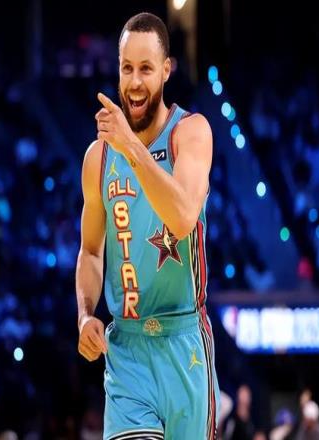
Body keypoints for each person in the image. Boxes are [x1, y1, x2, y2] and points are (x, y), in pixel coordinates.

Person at [75, 12, 219, 440]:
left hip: (185, 344)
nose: (134, 82)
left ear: (166, 70)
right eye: (126, 68)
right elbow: (91, 251)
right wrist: (84, 315)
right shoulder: (98, 158)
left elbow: (182, 217)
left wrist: (131, 147)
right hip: (128, 350)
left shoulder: (190, 133)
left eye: (145, 69)